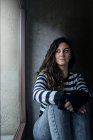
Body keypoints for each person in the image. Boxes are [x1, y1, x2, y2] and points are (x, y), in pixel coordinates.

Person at [33, 37, 91, 140]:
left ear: (71, 55)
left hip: (69, 127)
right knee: (56, 105)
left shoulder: (77, 77)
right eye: (57, 51)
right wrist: (63, 98)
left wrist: (74, 101)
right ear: (53, 55)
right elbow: (36, 94)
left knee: (80, 103)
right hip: (44, 130)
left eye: (66, 51)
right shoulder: (44, 75)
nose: (62, 54)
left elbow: (86, 93)